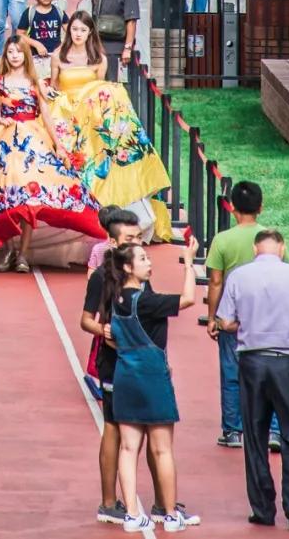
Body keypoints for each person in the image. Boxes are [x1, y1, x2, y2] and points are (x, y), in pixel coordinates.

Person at [0, 36, 104, 274]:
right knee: (4, 197)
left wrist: (57, 145)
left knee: (30, 199)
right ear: (5, 56)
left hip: (34, 142)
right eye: (10, 52)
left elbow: (46, 115)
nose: (14, 56)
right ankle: (6, 249)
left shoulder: (36, 83)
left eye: (18, 51)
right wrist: (1, 119)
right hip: (6, 141)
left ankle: (23, 253)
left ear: (25, 54)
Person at [216, 229, 289, 530]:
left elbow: (225, 321)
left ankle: (263, 508)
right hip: (288, 362)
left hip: (252, 361)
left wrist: (245, 323)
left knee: (255, 434)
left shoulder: (238, 276)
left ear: (255, 248)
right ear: (281, 248)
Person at [94, 241, 200, 535]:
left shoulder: (115, 299)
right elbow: (189, 299)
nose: (149, 262)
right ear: (128, 267)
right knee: (162, 449)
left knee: (129, 448)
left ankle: (131, 514)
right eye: (143, 258)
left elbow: (111, 337)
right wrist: (189, 263)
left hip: (125, 376)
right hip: (153, 378)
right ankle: (169, 514)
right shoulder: (147, 301)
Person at [80, 210, 167, 526]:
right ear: (112, 241)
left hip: (144, 361)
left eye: (138, 237)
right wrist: (100, 330)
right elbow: (86, 319)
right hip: (114, 363)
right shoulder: (102, 277)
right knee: (115, 428)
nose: (136, 243)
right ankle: (108, 502)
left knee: (154, 427)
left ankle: (163, 503)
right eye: (129, 239)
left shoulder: (141, 274)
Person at [46, 12, 170, 230]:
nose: (78, 34)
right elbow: (54, 87)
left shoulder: (99, 58)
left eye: (83, 30)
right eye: (74, 29)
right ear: (69, 30)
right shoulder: (58, 56)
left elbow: (100, 91)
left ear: (90, 32)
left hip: (90, 113)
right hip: (66, 110)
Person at [206, 180, 274, 449]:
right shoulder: (271, 238)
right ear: (260, 207)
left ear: (231, 207)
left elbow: (215, 282)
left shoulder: (222, 240)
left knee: (231, 371)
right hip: (268, 319)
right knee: (271, 373)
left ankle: (233, 430)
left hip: (232, 319)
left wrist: (212, 317)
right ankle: (275, 432)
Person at [91, 0, 141, 82]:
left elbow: (131, 20)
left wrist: (127, 48)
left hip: (117, 48)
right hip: (101, 46)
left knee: (115, 88)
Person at [17, 0, 66, 76]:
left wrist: (60, 49)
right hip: (36, 58)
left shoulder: (59, 12)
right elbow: (20, 34)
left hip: (55, 57)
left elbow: (70, 32)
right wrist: (36, 44)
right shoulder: (30, 12)